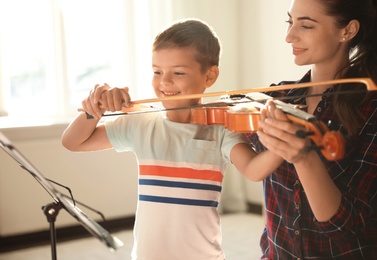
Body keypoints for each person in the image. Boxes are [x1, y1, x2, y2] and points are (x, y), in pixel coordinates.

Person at [62, 18, 280, 260]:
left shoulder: (221, 127)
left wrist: (285, 147)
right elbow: (73, 142)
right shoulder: (140, 123)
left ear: (209, 76)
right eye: (157, 71)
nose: (164, 81)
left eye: (178, 72)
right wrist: (94, 109)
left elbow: (252, 169)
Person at [246, 0, 377, 259]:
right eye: (290, 22)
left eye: (305, 25)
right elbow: (246, 162)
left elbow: (347, 229)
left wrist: (305, 159)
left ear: (347, 31)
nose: (289, 36)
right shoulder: (277, 97)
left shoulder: (370, 108)